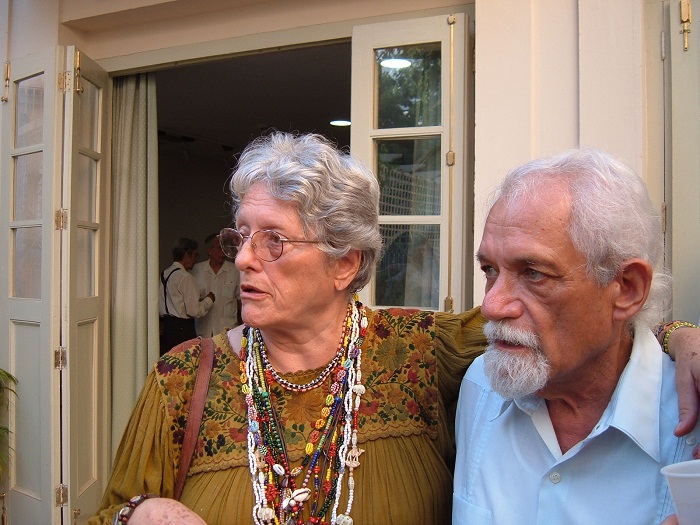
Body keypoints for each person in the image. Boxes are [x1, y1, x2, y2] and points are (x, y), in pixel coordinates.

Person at [90, 134, 700, 525]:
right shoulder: (183, 380)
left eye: (273, 240)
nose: (245, 258)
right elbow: (112, 510)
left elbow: (571, 334)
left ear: (345, 264)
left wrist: (681, 335)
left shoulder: (421, 354)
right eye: (241, 236)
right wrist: (138, 514)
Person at [452, 148, 699, 524]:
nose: (491, 305)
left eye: (534, 274)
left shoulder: (688, 424)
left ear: (627, 289)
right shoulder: (480, 384)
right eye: (490, 269)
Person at [159, 237, 215, 355]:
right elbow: (194, 311)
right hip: (183, 329)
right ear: (186, 255)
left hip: (167, 327)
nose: (195, 260)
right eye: (195, 255)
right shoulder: (185, 277)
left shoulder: (165, 274)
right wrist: (209, 300)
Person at [191, 232, 241, 337]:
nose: (223, 252)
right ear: (210, 251)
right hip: (203, 331)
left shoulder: (235, 271)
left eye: (225, 248)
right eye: (219, 248)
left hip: (227, 331)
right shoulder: (197, 270)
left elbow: (241, 301)